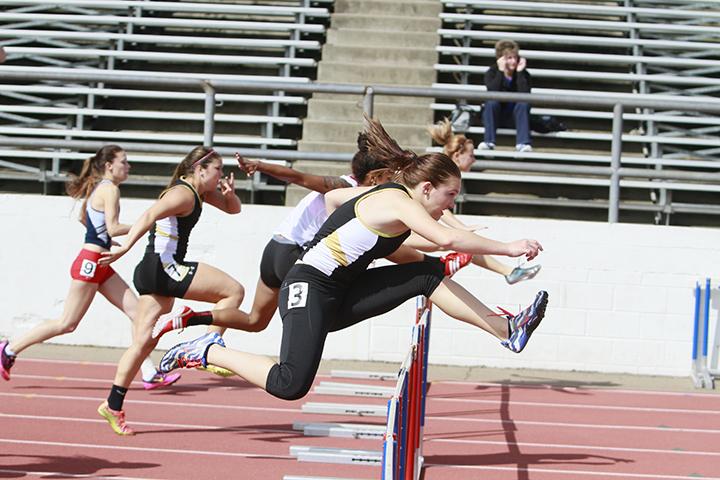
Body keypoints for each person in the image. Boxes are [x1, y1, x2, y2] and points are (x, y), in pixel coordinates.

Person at [157, 117, 548, 408]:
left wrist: (340, 232)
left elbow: (334, 202)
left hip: (338, 291)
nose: (450, 206)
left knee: (427, 274)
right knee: (290, 384)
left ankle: (505, 329)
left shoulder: (385, 199)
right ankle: (207, 350)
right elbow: (444, 238)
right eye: (450, 196)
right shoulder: (396, 200)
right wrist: (507, 247)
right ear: (426, 188)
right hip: (306, 288)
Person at [150, 134, 475, 346]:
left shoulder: (339, 185)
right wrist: (443, 251)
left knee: (254, 321)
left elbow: (297, 177)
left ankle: (198, 325)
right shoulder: (368, 195)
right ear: (377, 178)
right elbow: (397, 243)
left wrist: (260, 164)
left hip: (274, 251)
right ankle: (438, 266)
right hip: (298, 256)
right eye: (390, 178)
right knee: (363, 267)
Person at [0, 145, 180, 390]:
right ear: (109, 166)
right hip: (91, 263)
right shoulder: (110, 190)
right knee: (67, 323)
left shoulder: (100, 188)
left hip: (100, 262)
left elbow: (86, 219)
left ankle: (148, 372)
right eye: (124, 162)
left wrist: (103, 239)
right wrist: (145, 225)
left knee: (139, 314)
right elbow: (114, 226)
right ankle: (8, 349)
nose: (129, 167)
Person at [95, 146, 244, 435]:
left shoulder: (200, 192)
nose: (221, 175)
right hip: (165, 268)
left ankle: (112, 404)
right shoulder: (184, 193)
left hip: (152, 271)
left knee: (143, 343)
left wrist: (229, 193)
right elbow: (150, 213)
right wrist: (125, 246)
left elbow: (234, 209)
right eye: (218, 170)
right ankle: (206, 346)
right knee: (233, 292)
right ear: (200, 170)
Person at [428, 117, 541, 284]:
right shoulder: (443, 172)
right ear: (458, 155)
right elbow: (438, 206)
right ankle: (508, 272)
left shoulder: (446, 172)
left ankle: (508, 272)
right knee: (462, 244)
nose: (474, 160)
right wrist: (461, 227)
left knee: (465, 246)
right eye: (471, 155)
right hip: (410, 227)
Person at [481, 39, 532, 153]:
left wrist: (519, 73)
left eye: (515, 57)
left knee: (523, 104)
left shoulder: (524, 74)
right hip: (496, 116)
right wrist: (500, 71)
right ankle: (489, 142)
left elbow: (525, 95)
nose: (513, 61)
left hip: (515, 117)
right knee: (491, 102)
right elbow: (493, 91)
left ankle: (523, 143)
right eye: (509, 58)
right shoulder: (492, 72)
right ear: (501, 59)